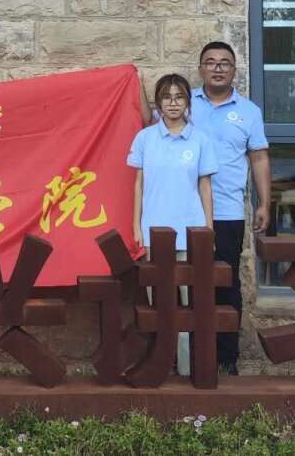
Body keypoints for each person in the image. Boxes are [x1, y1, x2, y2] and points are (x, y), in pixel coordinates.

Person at [127, 72, 217, 376]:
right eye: (167, 97)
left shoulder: (200, 139)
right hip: (155, 234)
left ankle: (189, 369)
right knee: (160, 306)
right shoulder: (145, 138)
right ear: (158, 103)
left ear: (188, 102)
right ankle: (161, 367)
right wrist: (137, 227)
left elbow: (205, 187)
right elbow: (138, 185)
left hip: (190, 233)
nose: (173, 103)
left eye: (179, 97)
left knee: (192, 307)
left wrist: (208, 229)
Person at [191, 41, 272, 377]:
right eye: (210, 62)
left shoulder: (249, 112)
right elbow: (149, 128)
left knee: (225, 283)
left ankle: (226, 357)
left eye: (224, 62)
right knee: (185, 282)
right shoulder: (185, 103)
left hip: (227, 212)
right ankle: (187, 357)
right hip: (185, 211)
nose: (218, 68)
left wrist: (265, 202)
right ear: (201, 69)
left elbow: (259, 157)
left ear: (234, 70)